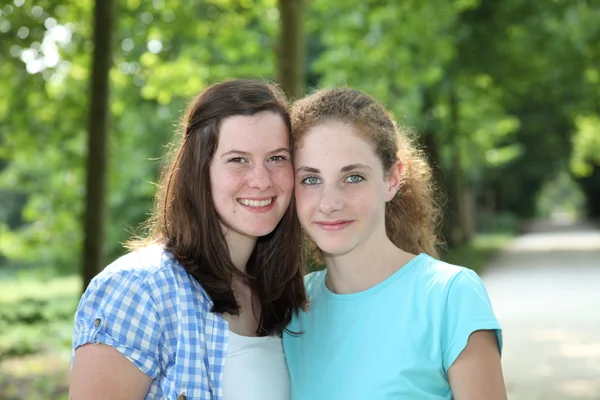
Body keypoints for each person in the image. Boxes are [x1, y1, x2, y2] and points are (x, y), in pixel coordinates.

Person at [69, 79, 307, 400]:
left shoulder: (282, 295)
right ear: (200, 170)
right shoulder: (138, 290)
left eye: (277, 158)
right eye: (238, 159)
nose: (261, 180)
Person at [283, 87, 507, 400]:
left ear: (392, 179)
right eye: (310, 179)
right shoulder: (290, 308)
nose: (329, 203)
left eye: (353, 177)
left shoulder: (449, 296)